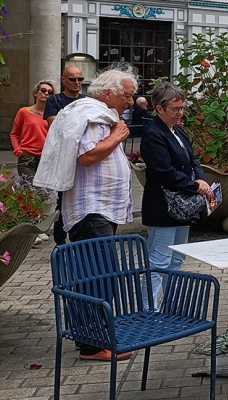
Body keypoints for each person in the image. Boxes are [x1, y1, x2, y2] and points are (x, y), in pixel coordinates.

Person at [34, 67, 137, 360]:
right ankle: (92, 344)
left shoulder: (99, 115)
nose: (130, 102)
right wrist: (117, 136)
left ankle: (95, 339)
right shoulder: (93, 115)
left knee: (95, 275)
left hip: (100, 209)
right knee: (97, 277)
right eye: (127, 95)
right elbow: (88, 157)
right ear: (108, 93)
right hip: (91, 209)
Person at [139, 82, 214, 311]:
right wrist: (195, 186)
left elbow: (192, 160)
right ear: (159, 109)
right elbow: (164, 172)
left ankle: (171, 304)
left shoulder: (177, 130)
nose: (180, 113)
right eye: (175, 108)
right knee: (159, 260)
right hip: (162, 207)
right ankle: (148, 309)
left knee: (177, 258)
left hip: (182, 206)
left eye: (182, 108)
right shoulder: (153, 134)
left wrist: (200, 179)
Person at [44, 66, 87, 247]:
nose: (77, 83)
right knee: (61, 199)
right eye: (73, 79)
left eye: (80, 79)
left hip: (82, 157)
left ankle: (79, 238)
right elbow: (55, 126)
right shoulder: (55, 100)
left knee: (82, 197)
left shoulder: (86, 101)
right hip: (62, 157)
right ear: (63, 80)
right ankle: (60, 242)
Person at [10, 80, 54, 179]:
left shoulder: (52, 115)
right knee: (29, 189)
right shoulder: (24, 112)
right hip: (27, 157)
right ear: (35, 93)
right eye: (43, 90)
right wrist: (17, 149)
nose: (46, 93)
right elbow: (14, 134)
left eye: (49, 92)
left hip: (46, 157)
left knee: (43, 192)